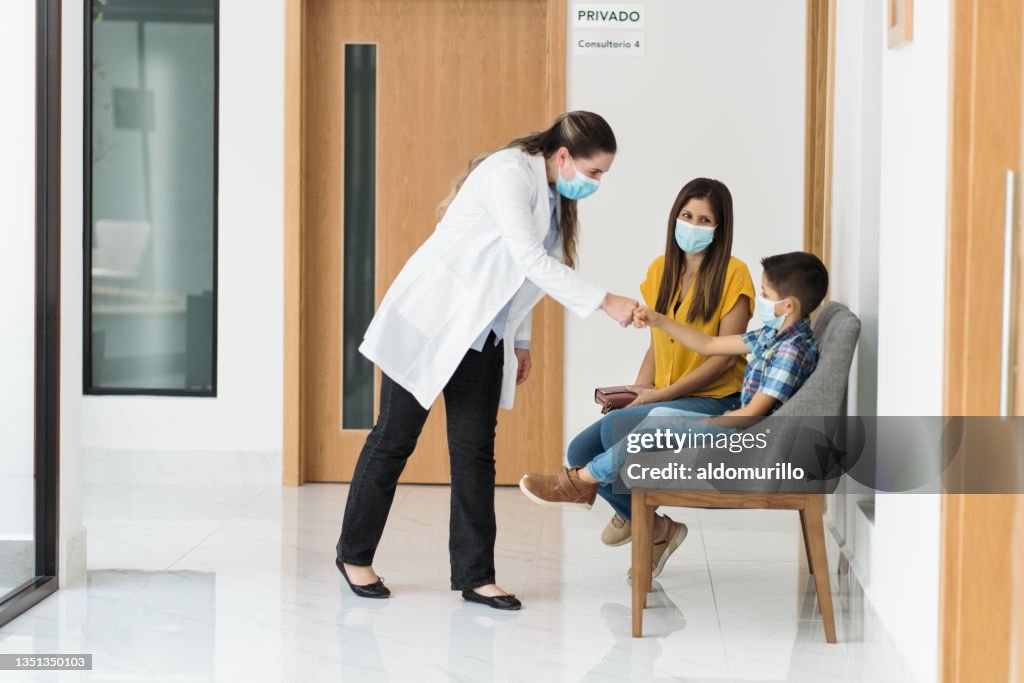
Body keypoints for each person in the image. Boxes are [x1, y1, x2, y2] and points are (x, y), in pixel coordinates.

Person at [336, 111, 640, 610]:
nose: (595, 183)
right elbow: (526, 257)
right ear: (563, 156)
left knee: (475, 453)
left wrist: (519, 341)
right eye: (594, 172)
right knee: (394, 439)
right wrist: (605, 301)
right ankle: (353, 555)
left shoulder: (555, 198)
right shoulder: (508, 173)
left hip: (483, 336)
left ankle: (476, 576)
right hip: (431, 322)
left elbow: (531, 278)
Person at [519, 251, 828, 579]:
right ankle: (605, 496)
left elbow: (751, 415)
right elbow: (709, 344)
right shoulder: (774, 335)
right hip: (739, 419)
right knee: (659, 418)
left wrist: (699, 425)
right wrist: (659, 320)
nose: (761, 299)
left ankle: (583, 480)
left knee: (658, 426)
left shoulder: (791, 351)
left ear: (789, 306)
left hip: (748, 434)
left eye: (766, 294)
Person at [519, 178, 754, 578]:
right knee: (580, 449)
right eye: (686, 215)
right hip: (667, 392)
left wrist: (663, 394)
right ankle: (658, 528)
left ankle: (636, 520)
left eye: (704, 219)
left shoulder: (735, 275)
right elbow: (656, 343)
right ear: (674, 217)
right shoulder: (661, 269)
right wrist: (639, 388)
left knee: (615, 432)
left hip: (718, 397)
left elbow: (721, 358)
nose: (692, 225)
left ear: (719, 228)